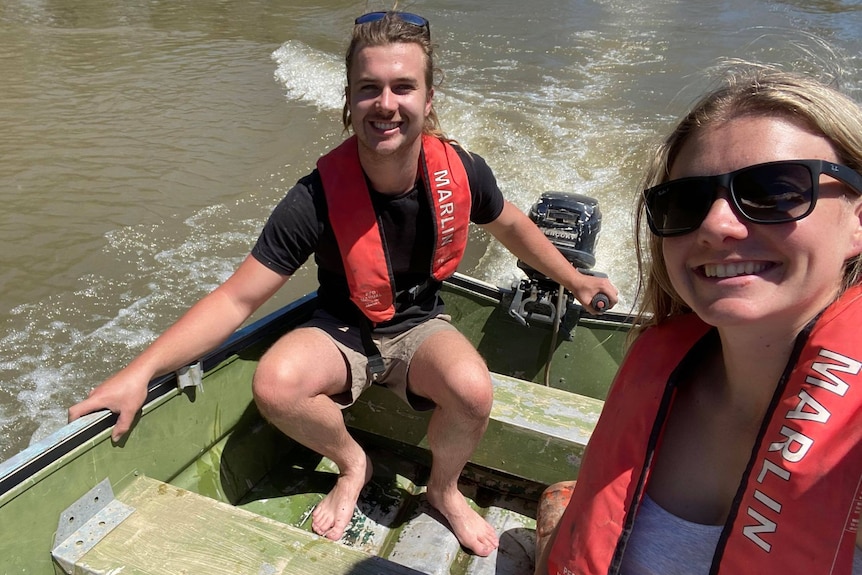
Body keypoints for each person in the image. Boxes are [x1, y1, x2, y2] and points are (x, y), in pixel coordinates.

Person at [68, 11, 617, 558]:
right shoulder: (313, 198)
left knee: (473, 390)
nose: (386, 103)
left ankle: (443, 491)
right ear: (349, 101)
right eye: (368, 88)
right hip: (341, 329)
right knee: (276, 384)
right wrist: (139, 372)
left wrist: (575, 277)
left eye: (404, 87)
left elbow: (515, 226)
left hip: (419, 323)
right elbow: (236, 298)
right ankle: (354, 464)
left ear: (428, 99)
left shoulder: (462, 172)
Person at [534, 64, 862, 574]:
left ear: (858, 220)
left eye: (774, 190)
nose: (715, 225)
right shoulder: (664, 372)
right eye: (685, 202)